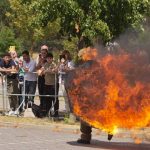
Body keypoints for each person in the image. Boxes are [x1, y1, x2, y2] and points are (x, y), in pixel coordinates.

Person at [76, 48, 113, 144]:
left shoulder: (90, 66)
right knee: (88, 117)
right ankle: (87, 136)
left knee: (88, 117)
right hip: (93, 95)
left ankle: (108, 127)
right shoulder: (97, 64)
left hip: (94, 96)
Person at [40, 53, 58, 117]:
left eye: (50, 58)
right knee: (47, 99)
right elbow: (42, 72)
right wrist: (47, 71)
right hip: (46, 84)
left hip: (53, 84)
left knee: (54, 98)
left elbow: (55, 71)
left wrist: (47, 71)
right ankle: (48, 112)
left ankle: (56, 113)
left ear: (52, 58)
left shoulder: (54, 64)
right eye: (48, 58)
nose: (49, 59)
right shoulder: (45, 64)